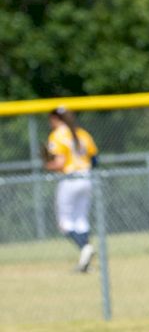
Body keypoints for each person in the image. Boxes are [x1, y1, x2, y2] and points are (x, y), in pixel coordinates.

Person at [44, 106, 99, 273]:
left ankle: (85, 247)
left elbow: (60, 163)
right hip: (87, 177)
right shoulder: (81, 133)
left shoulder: (58, 135)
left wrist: (48, 165)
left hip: (70, 179)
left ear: (55, 119)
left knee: (65, 223)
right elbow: (95, 159)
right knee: (81, 219)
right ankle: (85, 261)